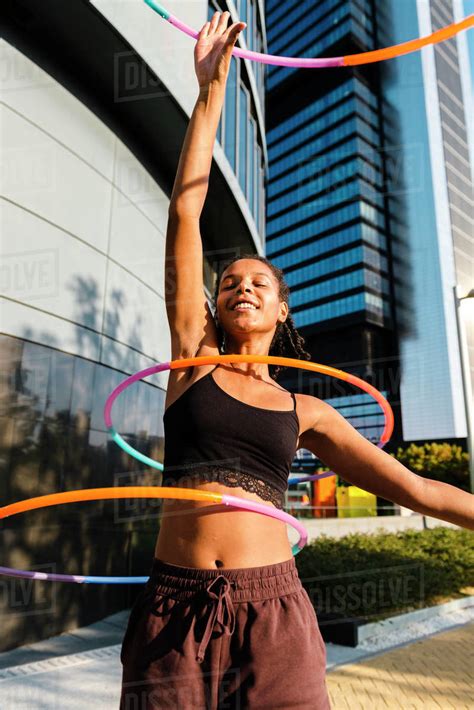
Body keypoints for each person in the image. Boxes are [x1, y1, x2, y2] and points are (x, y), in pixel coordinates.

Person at [119, 12, 474, 709]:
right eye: (229, 282)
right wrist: (210, 91)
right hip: (172, 614)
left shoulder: (305, 410)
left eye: (259, 282)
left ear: (283, 311)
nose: (242, 285)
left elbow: (418, 489)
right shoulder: (192, 360)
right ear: (214, 308)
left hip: (274, 615)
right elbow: (186, 214)